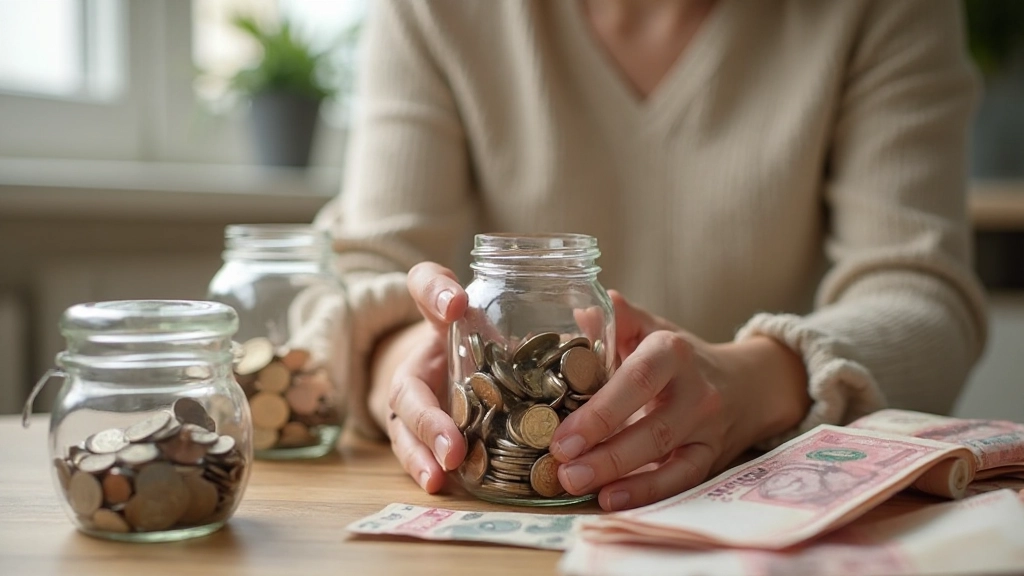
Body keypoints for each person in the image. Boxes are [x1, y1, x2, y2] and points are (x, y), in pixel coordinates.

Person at [312, 0, 987, 511]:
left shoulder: (885, 11)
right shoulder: (434, 11)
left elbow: (923, 298)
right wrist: (405, 362)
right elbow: (363, 276)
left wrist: (761, 379)